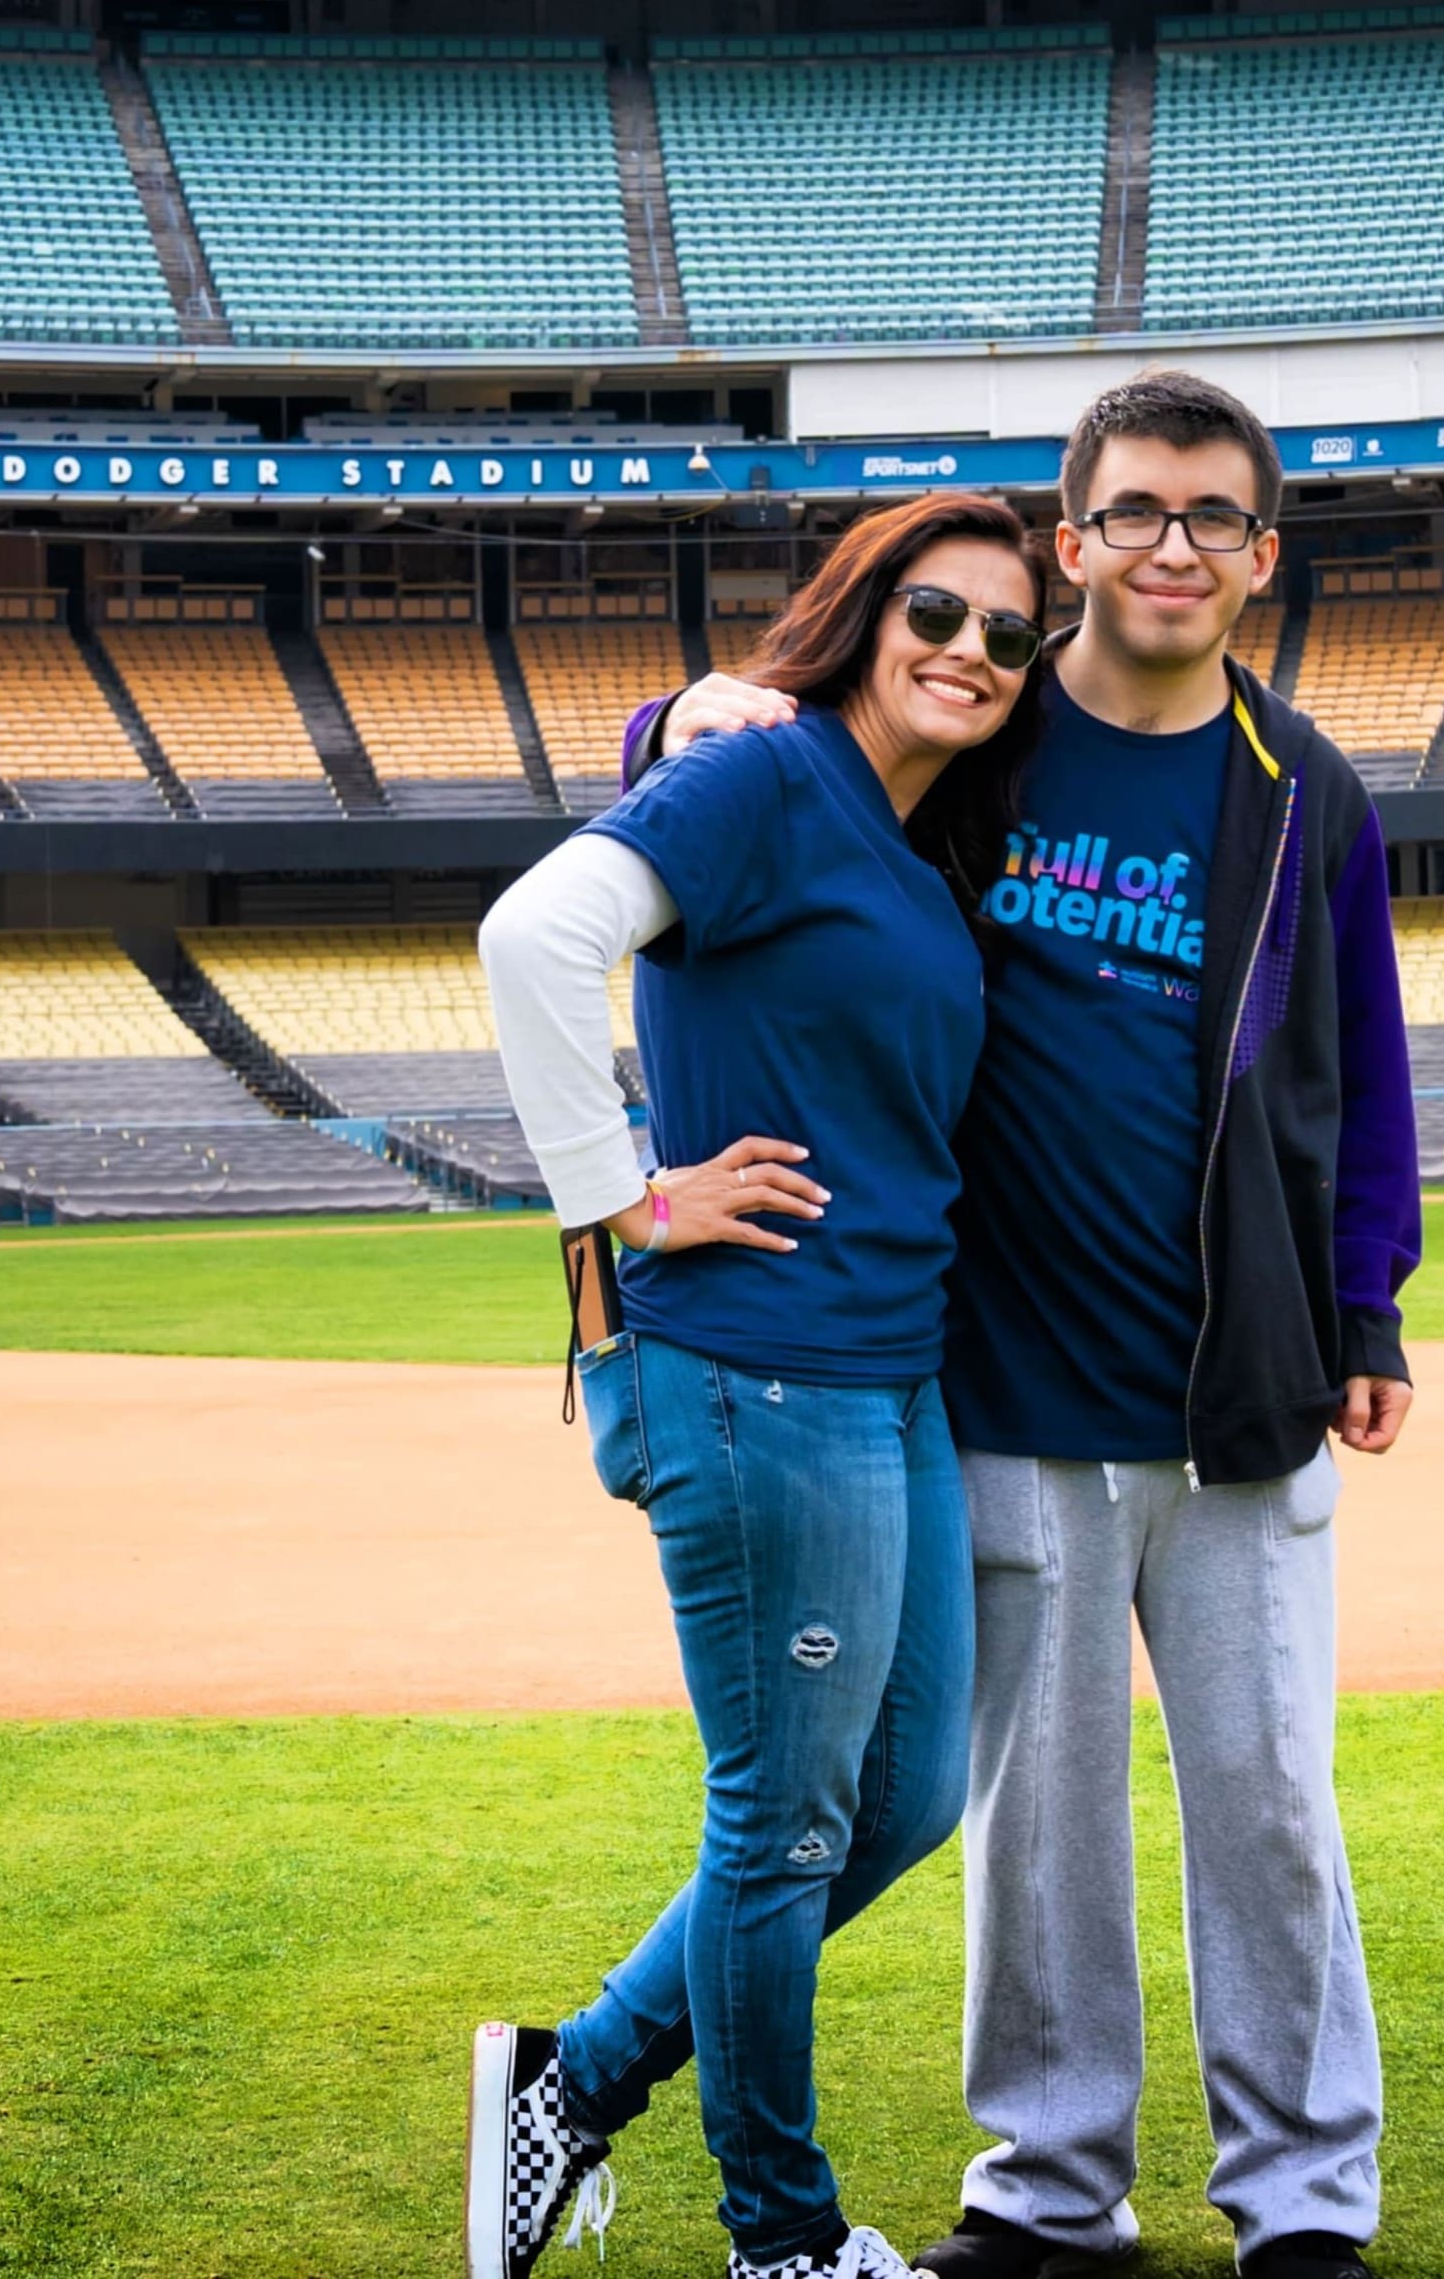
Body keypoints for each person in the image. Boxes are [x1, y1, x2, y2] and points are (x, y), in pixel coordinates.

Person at [633, 371, 1421, 2279]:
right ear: (1071, 541)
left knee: (1271, 1818)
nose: (1173, 546)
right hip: (1003, 1382)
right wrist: (682, 707)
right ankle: (1054, 2193)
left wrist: (1367, 1294)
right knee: (1033, 1835)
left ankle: (1301, 2201)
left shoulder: (1299, 787)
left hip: (1236, 1392)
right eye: (1135, 511)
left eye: (1212, 517)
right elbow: (761, 779)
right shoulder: (971, 743)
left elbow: (1364, 1063)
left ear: (1258, 555)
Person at [469, 493, 1052, 2279]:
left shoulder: (908, 832)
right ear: (868, 611)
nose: (965, 650)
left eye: (1003, 636)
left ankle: (569, 2080)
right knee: (780, 1817)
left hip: (891, 1380)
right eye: (933, 612)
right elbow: (532, 934)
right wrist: (625, 1195)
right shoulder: (774, 771)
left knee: (896, 1802)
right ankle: (782, 2244)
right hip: (757, 1372)